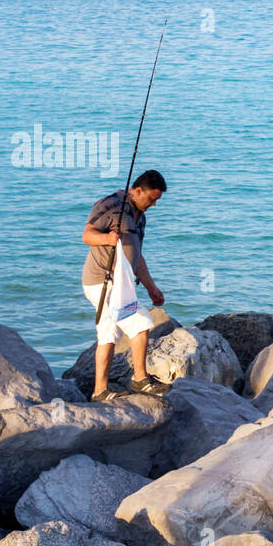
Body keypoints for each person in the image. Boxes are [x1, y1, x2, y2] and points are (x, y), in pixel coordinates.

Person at [81, 169, 172, 401]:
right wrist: (106, 238)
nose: (154, 204)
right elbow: (87, 235)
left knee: (108, 335)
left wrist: (151, 287)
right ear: (138, 190)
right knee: (141, 323)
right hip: (102, 281)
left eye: (157, 200)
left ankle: (99, 391)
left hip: (121, 283)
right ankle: (140, 379)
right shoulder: (111, 204)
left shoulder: (140, 216)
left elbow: (137, 256)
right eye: (152, 199)